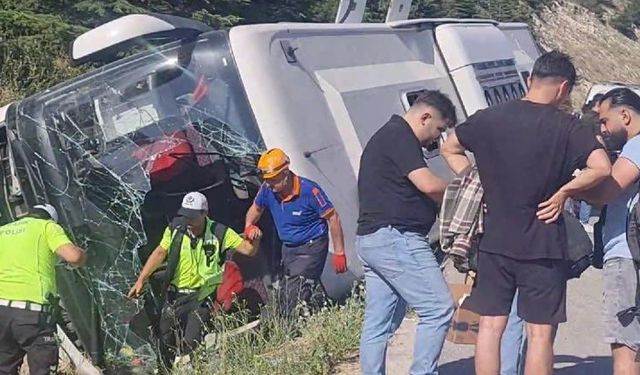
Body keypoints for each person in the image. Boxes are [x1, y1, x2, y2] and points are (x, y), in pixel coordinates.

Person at [441, 50, 611, 375]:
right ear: (563, 88)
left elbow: (449, 146)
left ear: (530, 80)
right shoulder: (568, 128)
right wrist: (565, 192)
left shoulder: (489, 117)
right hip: (543, 244)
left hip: (493, 240)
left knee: (490, 327)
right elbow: (601, 168)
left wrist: (477, 180)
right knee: (540, 334)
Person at [356, 90, 457, 375]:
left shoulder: (388, 136)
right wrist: (464, 194)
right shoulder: (400, 136)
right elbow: (428, 184)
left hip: (373, 239)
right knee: (438, 308)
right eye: (438, 129)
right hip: (395, 237)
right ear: (425, 117)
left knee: (379, 324)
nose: (436, 139)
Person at [128, 191, 260, 367]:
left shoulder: (219, 232)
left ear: (204, 213)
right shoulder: (175, 229)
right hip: (176, 294)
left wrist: (256, 238)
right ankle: (165, 368)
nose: (188, 221)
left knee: (191, 341)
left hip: (202, 296)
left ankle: (192, 365)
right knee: (164, 337)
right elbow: (160, 252)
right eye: (185, 215)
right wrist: (141, 280)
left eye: (192, 216)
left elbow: (248, 250)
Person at [576, 87, 640, 375]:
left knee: (626, 349)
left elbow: (607, 191)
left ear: (624, 115)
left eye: (604, 120)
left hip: (627, 255)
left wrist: (573, 188)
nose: (602, 128)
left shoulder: (636, 146)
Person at [244, 148, 347, 316]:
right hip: (289, 248)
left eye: (274, 180)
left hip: (312, 246)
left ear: (286, 173)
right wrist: (249, 225)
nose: (271, 186)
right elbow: (255, 209)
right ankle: (316, 311)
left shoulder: (310, 191)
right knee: (282, 294)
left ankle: (290, 329)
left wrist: (339, 252)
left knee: (295, 294)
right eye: (267, 181)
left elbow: (333, 218)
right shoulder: (267, 189)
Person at [0, 204, 87, 375]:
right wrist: (83, 255)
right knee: (43, 367)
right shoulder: (47, 226)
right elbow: (73, 257)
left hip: (1, 312)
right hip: (32, 315)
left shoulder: (3, 231)